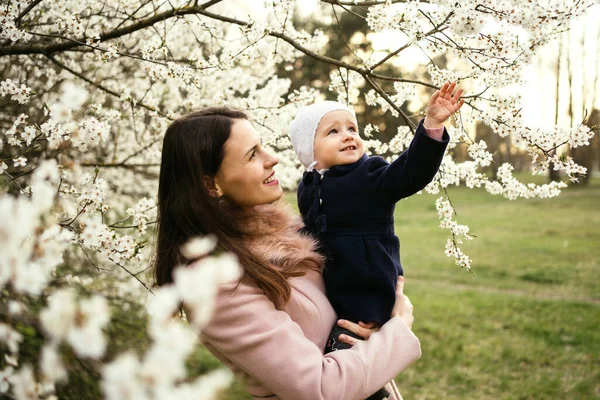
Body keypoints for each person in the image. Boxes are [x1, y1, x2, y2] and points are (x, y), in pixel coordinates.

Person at [154, 107, 420, 400]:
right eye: (252, 154)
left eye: (262, 146)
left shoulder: (285, 233)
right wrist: (397, 329)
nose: (273, 158)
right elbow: (320, 388)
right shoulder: (215, 282)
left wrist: (375, 324)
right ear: (210, 183)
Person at [289, 82, 464, 399]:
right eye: (333, 131)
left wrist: (432, 127)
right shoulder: (309, 186)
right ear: (308, 151)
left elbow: (411, 172)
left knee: (347, 353)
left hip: (368, 291)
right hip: (335, 292)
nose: (348, 135)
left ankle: (374, 392)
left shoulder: (370, 174)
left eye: (352, 128)